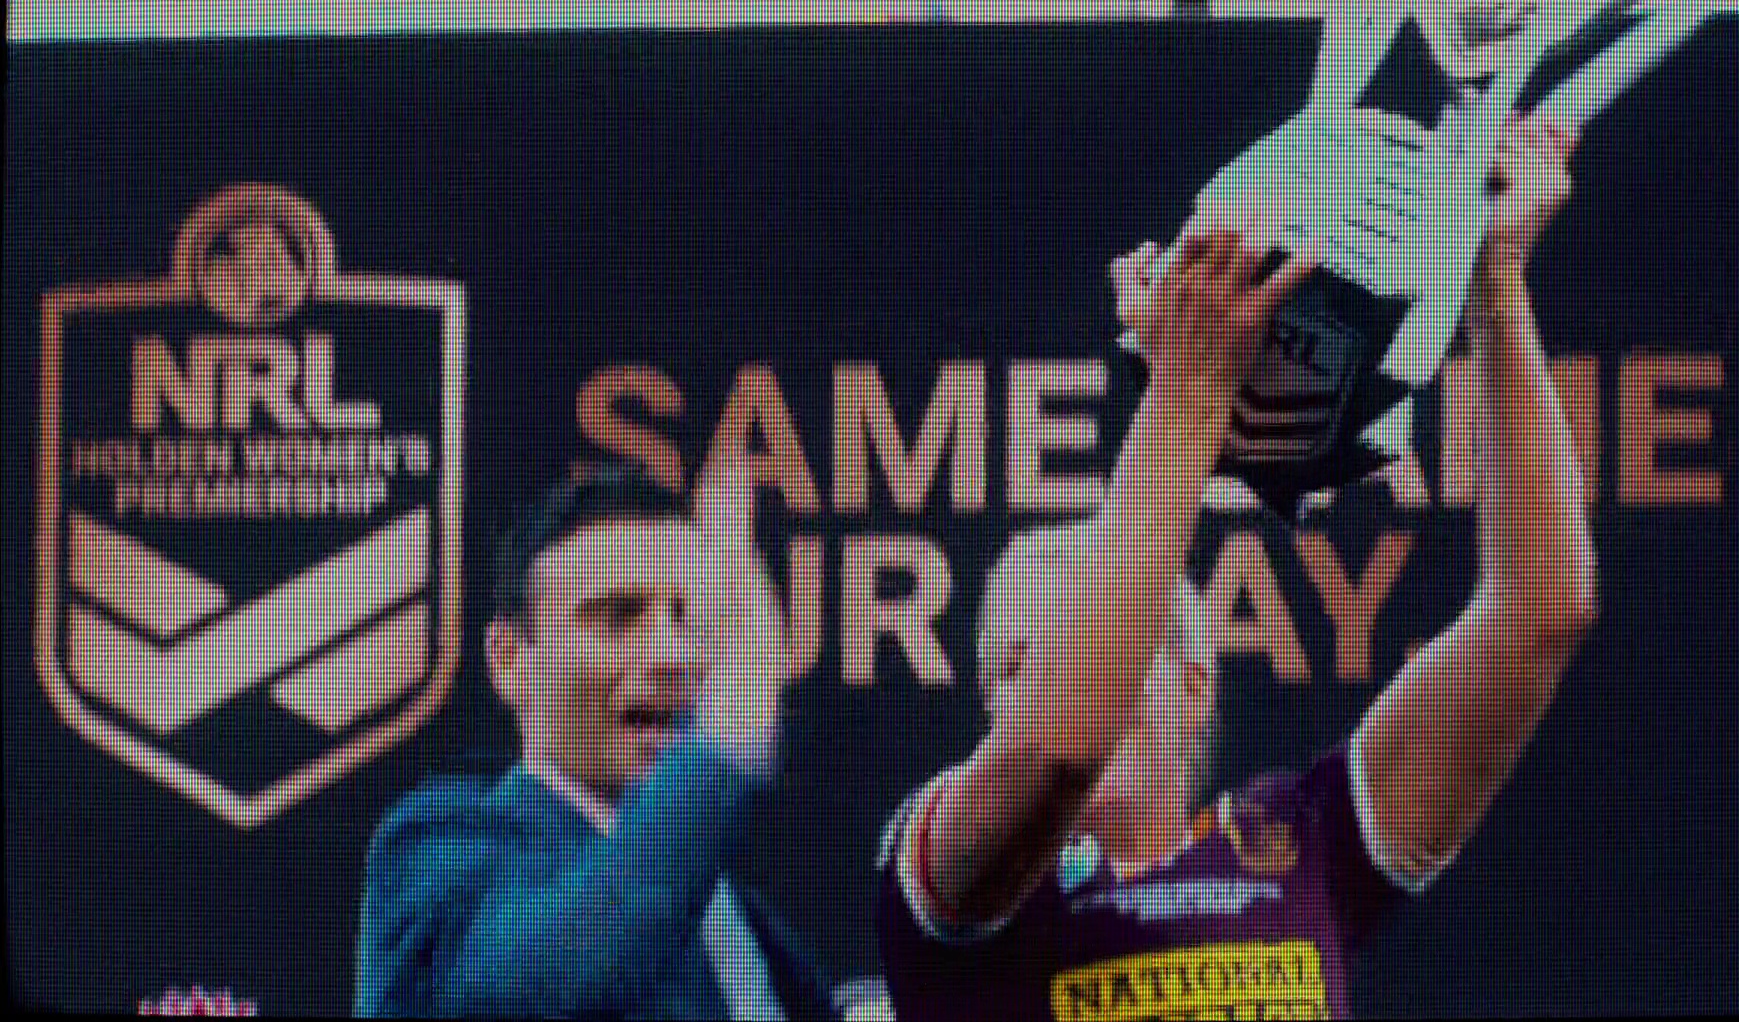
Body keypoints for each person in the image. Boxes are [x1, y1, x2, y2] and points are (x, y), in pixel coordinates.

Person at [875, 112, 1598, 1021]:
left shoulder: (1308, 845)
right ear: (989, 706)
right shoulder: (941, 883)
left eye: (1105, 645)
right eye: (1021, 661)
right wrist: (1187, 394)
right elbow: (1061, 748)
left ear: (1196, 679)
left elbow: (1540, 613)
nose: (1056, 674)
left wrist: (1493, 282)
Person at [353, 441, 838, 1019]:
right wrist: (727, 726)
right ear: (509, 659)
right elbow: (586, 960)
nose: (674, 656)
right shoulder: (432, 856)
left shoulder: (733, 909)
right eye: (617, 616)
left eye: (698, 621)